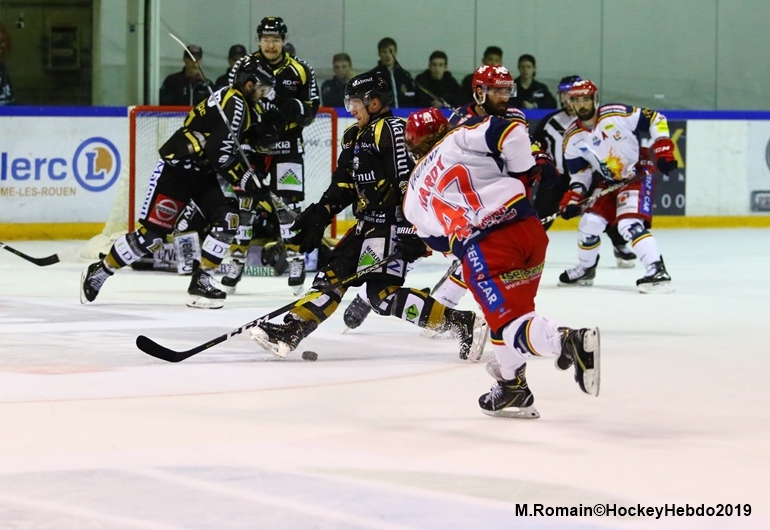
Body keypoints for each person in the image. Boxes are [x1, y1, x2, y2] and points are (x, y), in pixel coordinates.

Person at [249, 71, 487, 360]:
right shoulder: (353, 136)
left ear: (373, 102)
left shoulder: (392, 131)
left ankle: (463, 323)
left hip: (391, 226)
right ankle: (291, 331)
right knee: (354, 284)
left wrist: (411, 231)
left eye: (354, 102)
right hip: (366, 226)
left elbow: (409, 183)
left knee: (367, 289)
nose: (351, 109)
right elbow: (343, 185)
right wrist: (321, 212)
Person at [403, 106, 600, 419]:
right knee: (505, 316)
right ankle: (513, 388)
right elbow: (512, 132)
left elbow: (438, 242)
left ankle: (566, 340)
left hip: (486, 247)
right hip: (528, 230)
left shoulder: (411, 197)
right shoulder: (459, 138)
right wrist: (518, 177)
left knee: (510, 323)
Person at [343, 64, 556, 329]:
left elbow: (527, 144)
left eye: (507, 90)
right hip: (462, 204)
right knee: (422, 246)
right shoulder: (459, 125)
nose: (504, 97)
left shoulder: (513, 117)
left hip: (499, 203)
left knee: (476, 260)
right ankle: (370, 294)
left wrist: (540, 159)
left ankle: (459, 312)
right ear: (479, 92)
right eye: (497, 91)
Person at [81, 55, 276, 309]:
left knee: (228, 220)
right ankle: (101, 270)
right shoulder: (235, 103)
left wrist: (255, 146)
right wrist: (244, 178)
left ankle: (201, 281)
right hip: (179, 171)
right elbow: (220, 153)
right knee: (151, 238)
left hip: (204, 175)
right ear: (249, 84)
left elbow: (233, 144)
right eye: (261, 89)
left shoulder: (244, 105)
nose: (262, 94)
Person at [558, 79, 675, 293]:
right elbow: (581, 173)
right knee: (589, 223)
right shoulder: (571, 138)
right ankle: (586, 269)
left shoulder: (616, 114)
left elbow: (656, 119)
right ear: (570, 103)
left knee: (628, 224)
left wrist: (663, 149)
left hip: (637, 172)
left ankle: (657, 271)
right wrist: (574, 198)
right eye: (576, 100)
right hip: (610, 181)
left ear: (595, 99)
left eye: (586, 99)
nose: (582, 105)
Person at [531, 75, 637, 266]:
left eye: (570, 94)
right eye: (563, 94)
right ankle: (528, 250)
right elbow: (534, 145)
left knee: (602, 210)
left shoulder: (596, 121)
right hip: (557, 179)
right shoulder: (551, 121)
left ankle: (619, 245)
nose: (567, 99)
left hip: (587, 176)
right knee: (541, 215)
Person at [248, 17, 321, 294]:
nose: (270, 44)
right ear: (258, 40)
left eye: (275, 39)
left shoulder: (301, 70)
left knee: (289, 206)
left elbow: (312, 110)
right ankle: (233, 261)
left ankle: (295, 259)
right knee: (243, 202)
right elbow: (234, 101)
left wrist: (291, 110)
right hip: (253, 147)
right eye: (266, 39)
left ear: (284, 40)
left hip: (288, 146)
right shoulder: (245, 66)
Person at [370, 37, 417, 108]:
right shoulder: (373, 75)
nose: (387, 55)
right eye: (384, 52)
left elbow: (412, 99)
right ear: (379, 53)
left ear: (395, 53)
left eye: (390, 51)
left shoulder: (405, 75)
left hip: (404, 116)